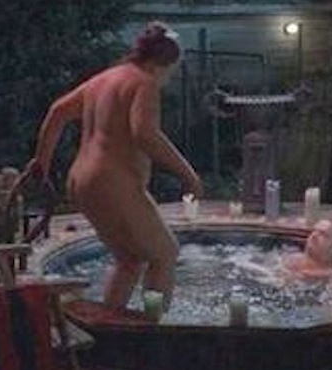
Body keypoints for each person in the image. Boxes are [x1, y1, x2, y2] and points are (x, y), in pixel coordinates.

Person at [27, 21, 203, 311]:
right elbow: (144, 133)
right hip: (111, 183)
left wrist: (42, 161)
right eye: (172, 72)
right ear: (165, 64)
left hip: (80, 182)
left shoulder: (104, 79)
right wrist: (188, 174)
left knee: (130, 260)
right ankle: (152, 328)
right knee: (165, 254)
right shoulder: (144, 82)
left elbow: (57, 111)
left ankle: (109, 323)